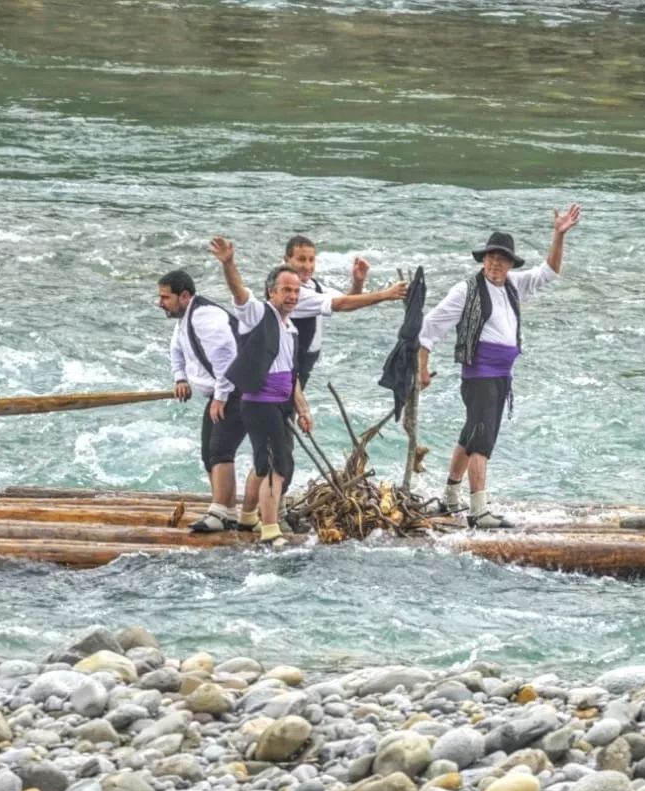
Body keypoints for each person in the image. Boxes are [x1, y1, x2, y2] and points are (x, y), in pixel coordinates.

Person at [416, 204, 582, 528]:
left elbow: (548, 272)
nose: (495, 263)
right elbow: (429, 327)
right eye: (491, 258)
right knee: (482, 437)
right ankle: (478, 510)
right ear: (484, 260)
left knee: (470, 434)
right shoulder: (465, 290)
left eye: (502, 259)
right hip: (479, 374)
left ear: (509, 263)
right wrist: (423, 367)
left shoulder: (512, 285)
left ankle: (451, 497)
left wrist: (558, 235)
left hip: (502, 376)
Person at [207, 237, 314, 549]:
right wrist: (228, 264)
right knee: (272, 466)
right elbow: (239, 293)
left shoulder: (290, 328)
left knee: (274, 462)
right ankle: (270, 530)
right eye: (286, 290)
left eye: (296, 291)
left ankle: (248, 515)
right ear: (272, 292)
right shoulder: (258, 314)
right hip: (260, 404)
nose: (292, 296)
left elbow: (291, 376)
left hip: (282, 405)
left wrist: (303, 409)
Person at [158, 269, 248, 533]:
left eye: (165, 297)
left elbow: (227, 360)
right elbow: (176, 349)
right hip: (221, 393)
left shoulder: (205, 318)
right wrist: (180, 379)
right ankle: (228, 510)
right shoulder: (185, 318)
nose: (159, 303)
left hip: (238, 390)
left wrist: (220, 398)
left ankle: (219, 513)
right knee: (208, 454)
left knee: (221, 450)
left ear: (184, 296)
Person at [283, 236, 409, 389]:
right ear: (287, 260)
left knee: (294, 410)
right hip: (288, 364)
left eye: (311, 260)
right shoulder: (292, 292)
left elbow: (346, 300)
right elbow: (340, 304)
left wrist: (358, 282)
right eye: (301, 260)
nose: (308, 266)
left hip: (304, 364)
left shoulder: (311, 285)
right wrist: (386, 294)